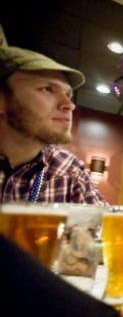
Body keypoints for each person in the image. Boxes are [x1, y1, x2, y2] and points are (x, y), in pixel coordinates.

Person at [0, 44, 106, 204]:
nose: (69, 105)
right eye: (48, 89)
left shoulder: (69, 169)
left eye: (68, 94)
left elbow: (101, 219)